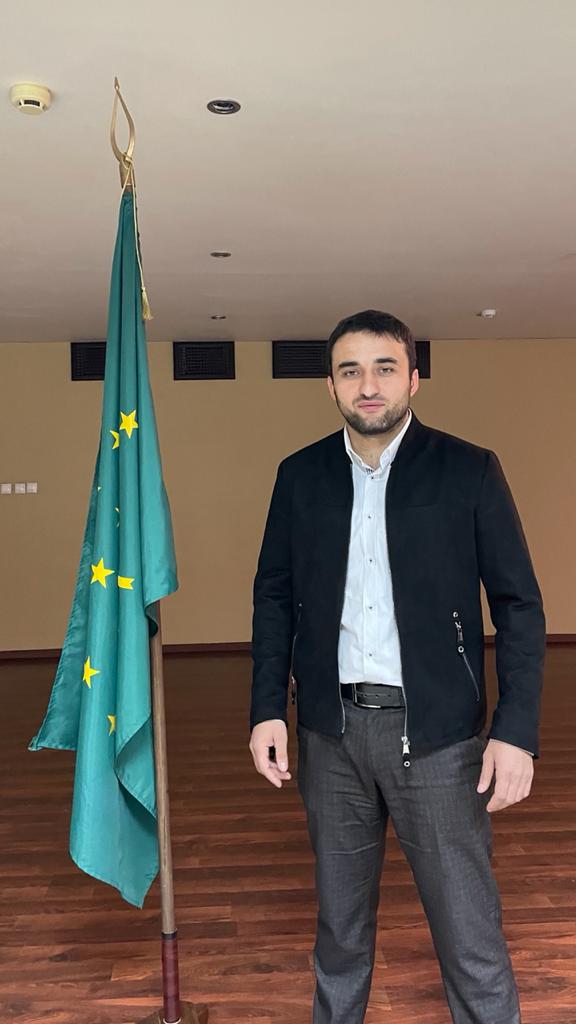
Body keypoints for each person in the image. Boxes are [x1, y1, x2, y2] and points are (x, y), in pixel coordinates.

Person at [249, 309, 545, 1024]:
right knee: (340, 935)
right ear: (331, 386)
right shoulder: (300, 476)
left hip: (439, 741)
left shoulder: (468, 469)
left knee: (469, 937)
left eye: (384, 368)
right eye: (350, 371)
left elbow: (519, 606)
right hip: (331, 735)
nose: (368, 385)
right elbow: (274, 598)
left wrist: (515, 731)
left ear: (413, 378)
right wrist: (267, 709)